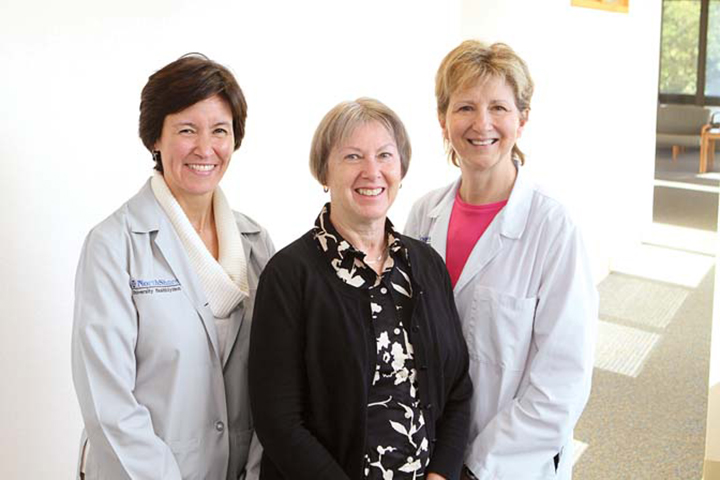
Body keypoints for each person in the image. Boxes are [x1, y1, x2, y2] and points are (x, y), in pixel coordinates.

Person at [71, 53, 274, 480]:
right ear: (155, 139)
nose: (205, 148)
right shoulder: (113, 246)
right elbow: (109, 404)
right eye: (187, 130)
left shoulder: (256, 246)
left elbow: (276, 384)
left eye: (220, 130)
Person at [248, 98, 472, 480]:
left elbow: (457, 389)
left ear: (401, 169)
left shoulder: (426, 265)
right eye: (353, 157)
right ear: (324, 172)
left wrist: (441, 474)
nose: (372, 171)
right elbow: (278, 420)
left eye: (385, 155)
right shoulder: (289, 275)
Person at [405, 41, 597, 480]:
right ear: (443, 119)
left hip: (509, 464)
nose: (482, 124)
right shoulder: (422, 215)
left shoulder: (553, 228)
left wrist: (474, 466)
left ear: (522, 119)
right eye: (465, 107)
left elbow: (562, 382)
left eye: (499, 108)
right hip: (428, 457)